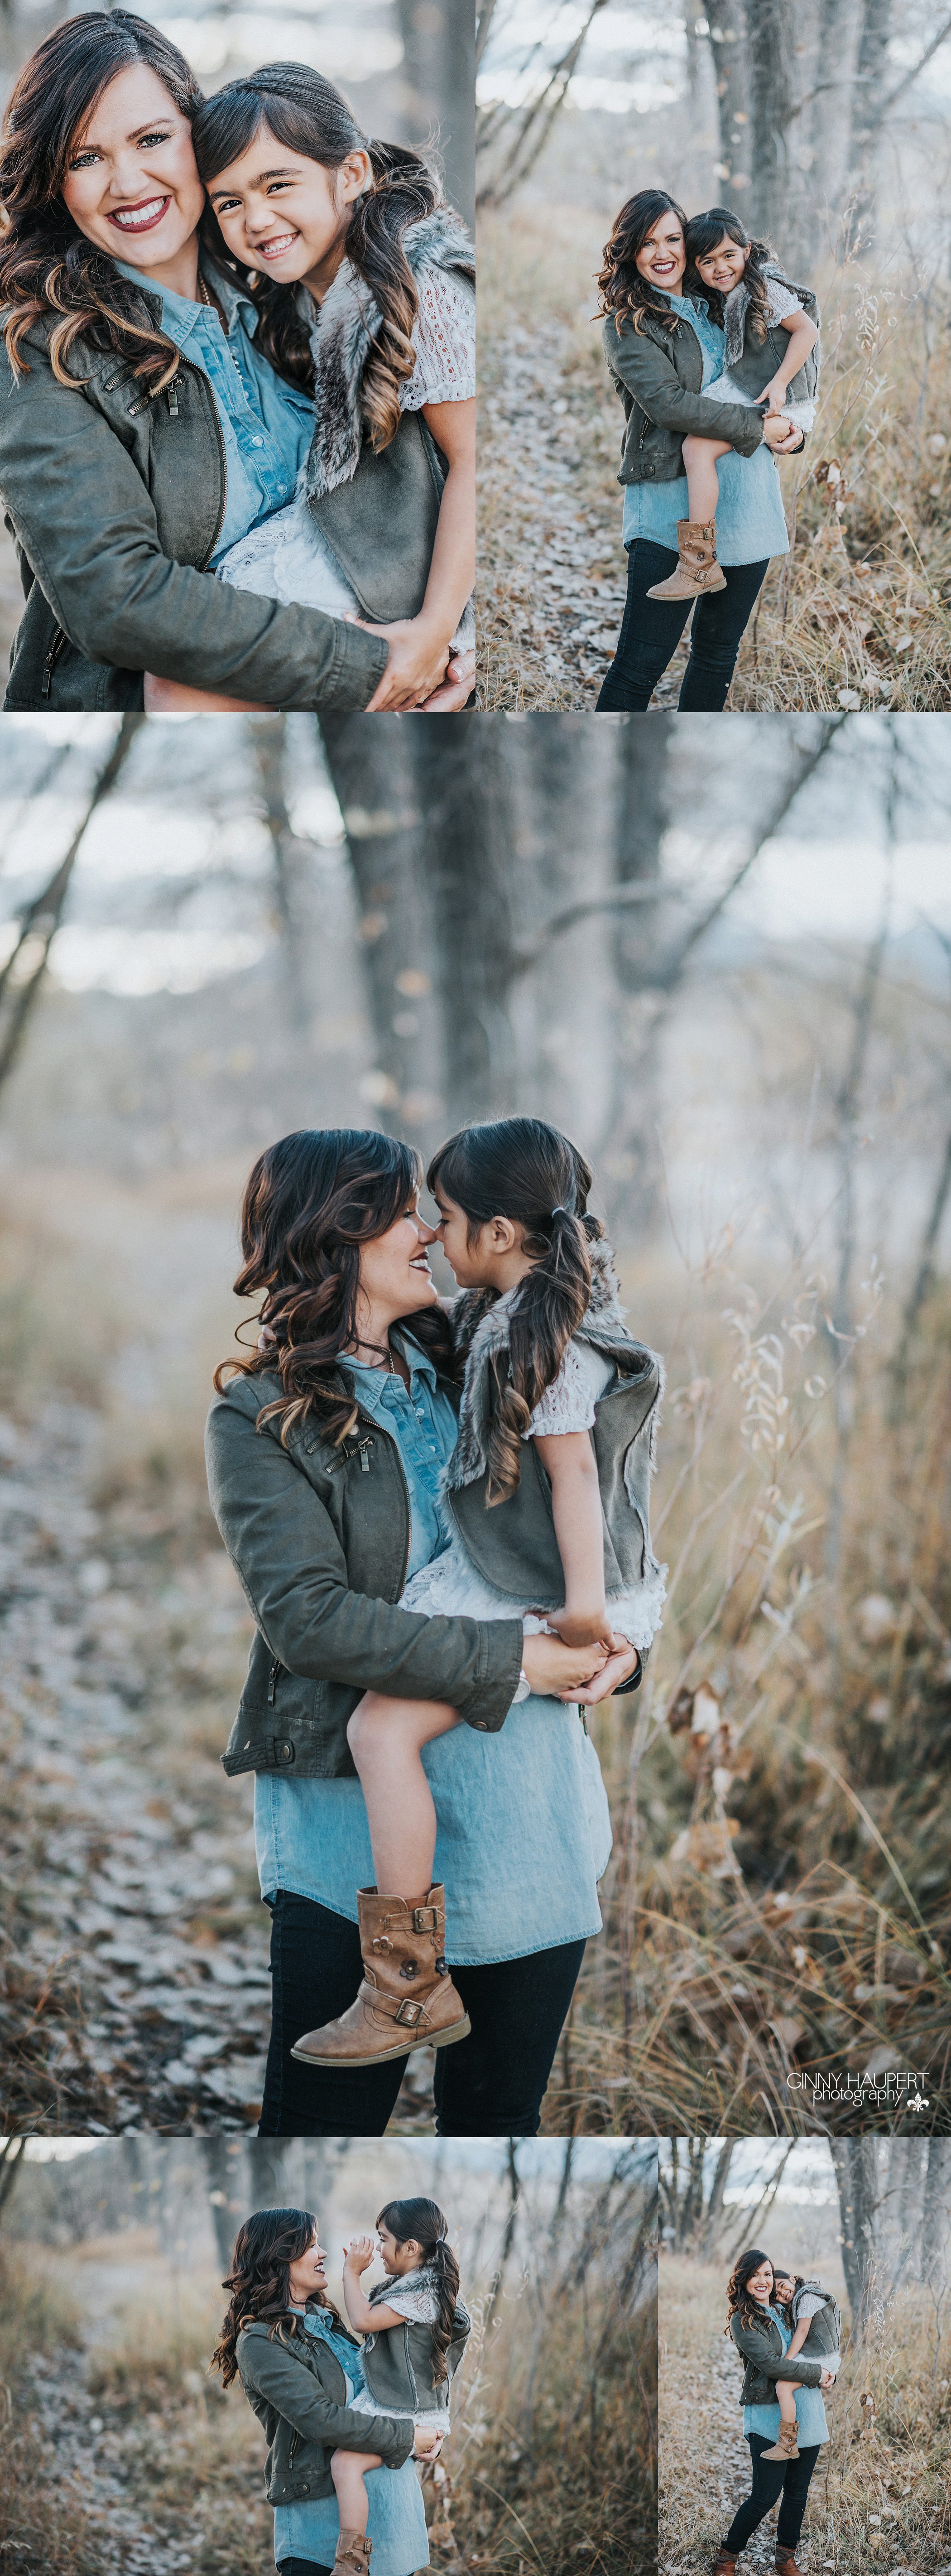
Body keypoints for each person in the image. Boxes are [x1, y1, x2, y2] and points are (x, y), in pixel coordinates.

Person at [206, 1128, 643, 2137]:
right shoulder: (261, 1415)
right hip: (349, 1840)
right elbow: (308, 1620)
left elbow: (596, 1517)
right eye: (404, 1210)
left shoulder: (488, 1351)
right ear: (336, 1231)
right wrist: (516, 1657)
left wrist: (614, 1644)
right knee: (320, 2130)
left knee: (496, 2130)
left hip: (526, 1817)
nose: (426, 1232)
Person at [0, 10, 459, 711]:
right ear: (51, 180)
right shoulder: (39, 347)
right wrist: (378, 670)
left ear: (198, 135)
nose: (126, 183)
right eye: (84, 158)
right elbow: (114, 597)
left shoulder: (279, 273)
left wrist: (445, 648)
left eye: (151, 139)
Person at [143, 63, 475, 716]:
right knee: (172, 670)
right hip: (361, 534)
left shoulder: (419, 286)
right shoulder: (291, 297)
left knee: (179, 687)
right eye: (230, 201)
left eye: (278, 184)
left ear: (351, 175)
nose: (257, 219)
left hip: (419, 568)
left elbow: (475, 462)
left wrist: (433, 636)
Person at [593, 189, 805, 713]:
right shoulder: (629, 325)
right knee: (639, 665)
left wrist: (795, 429)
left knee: (716, 657)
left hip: (748, 496)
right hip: (669, 505)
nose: (662, 253)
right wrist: (761, 425)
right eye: (647, 243)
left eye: (672, 239)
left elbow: (781, 365)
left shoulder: (723, 297)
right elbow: (669, 406)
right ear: (629, 253)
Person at [213, 2203, 438, 2576]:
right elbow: (322, 2420)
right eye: (311, 2245)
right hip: (321, 2528)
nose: (324, 2253)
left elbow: (391, 2387)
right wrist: (408, 2436)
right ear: (278, 2256)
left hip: (393, 2521)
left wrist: (430, 2430)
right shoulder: (260, 2340)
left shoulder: (326, 2320)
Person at [646, 210, 818, 602]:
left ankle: (696, 565)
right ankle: (700, 560)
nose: (720, 267)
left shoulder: (765, 286)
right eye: (707, 261)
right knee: (695, 441)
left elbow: (806, 329)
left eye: (728, 256)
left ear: (747, 250)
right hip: (755, 391)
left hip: (774, 393)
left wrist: (780, 382)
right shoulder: (730, 294)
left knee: (695, 446)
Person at [329, 2198, 470, 2575]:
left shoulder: (420, 2295)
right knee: (345, 2460)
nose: (378, 2248)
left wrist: (351, 2273)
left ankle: (350, 2564)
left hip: (405, 2413)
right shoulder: (418, 2288)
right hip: (407, 2409)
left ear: (411, 2248)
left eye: (383, 2238)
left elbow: (362, 2320)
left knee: (345, 2463)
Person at [712, 2248, 836, 2576]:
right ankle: (727, 2557)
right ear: (744, 2279)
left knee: (797, 2493)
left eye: (768, 2274)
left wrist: (829, 2370)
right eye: (755, 2275)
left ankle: (785, 2560)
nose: (763, 2280)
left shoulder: (787, 2308)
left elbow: (816, 2339)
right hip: (768, 2416)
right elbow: (770, 2364)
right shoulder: (744, 2320)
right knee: (765, 2495)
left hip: (806, 2408)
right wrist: (815, 2374)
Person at [763, 2268, 841, 2462]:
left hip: (820, 2358)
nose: (783, 2294)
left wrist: (786, 2361)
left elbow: (803, 2331)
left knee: (782, 2386)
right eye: (778, 2295)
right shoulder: (808, 2294)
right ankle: (788, 2443)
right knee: (783, 2386)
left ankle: (787, 2444)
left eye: (782, 2286)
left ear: (792, 2278)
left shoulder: (806, 2297)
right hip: (822, 2357)